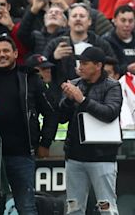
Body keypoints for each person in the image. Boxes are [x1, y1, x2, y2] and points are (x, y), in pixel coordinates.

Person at [0, 35, 58, 215]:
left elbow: (51, 112)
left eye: (6, 51)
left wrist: (45, 143)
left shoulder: (30, 78)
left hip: (22, 154)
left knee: (26, 207)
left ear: (15, 53)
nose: (2, 55)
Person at [60, 46, 122, 215]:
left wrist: (82, 100)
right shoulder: (74, 84)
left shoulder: (112, 86)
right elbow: (61, 118)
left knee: (107, 208)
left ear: (98, 65)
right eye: (80, 63)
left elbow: (110, 113)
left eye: (85, 63)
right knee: (73, 208)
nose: (80, 67)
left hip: (102, 156)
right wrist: (67, 101)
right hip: (74, 156)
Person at [103, 5, 135, 75]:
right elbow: (107, 68)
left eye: (130, 21)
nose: (127, 24)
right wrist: (127, 69)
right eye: (123, 20)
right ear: (114, 20)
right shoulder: (106, 42)